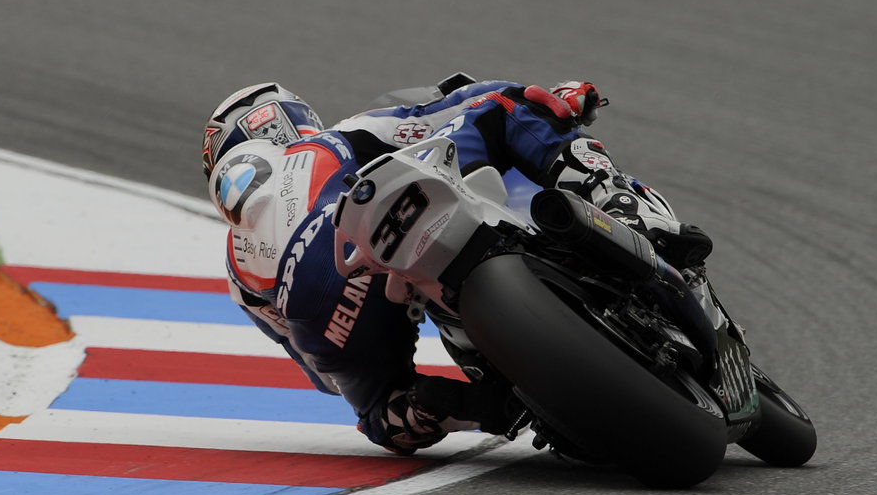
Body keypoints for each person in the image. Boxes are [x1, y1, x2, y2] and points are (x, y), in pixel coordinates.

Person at [201, 75, 713, 455]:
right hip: (384, 234)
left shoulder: (239, 272)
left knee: (386, 416)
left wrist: (389, 403)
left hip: (328, 308)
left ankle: (464, 404)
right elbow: (459, 106)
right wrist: (557, 102)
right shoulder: (336, 138)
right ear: (290, 120)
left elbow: (325, 377)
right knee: (505, 105)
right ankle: (622, 205)